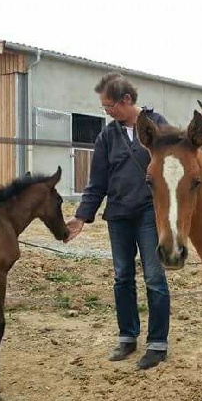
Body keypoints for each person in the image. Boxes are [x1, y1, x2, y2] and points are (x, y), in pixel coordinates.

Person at [65, 72, 171, 369]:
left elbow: (173, 165)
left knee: (154, 276)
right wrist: (81, 216)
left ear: (126, 100)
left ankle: (158, 343)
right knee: (122, 276)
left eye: (109, 105)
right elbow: (97, 181)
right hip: (119, 214)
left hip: (149, 212)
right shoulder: (107, 136)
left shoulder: (156, 123)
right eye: (105, 107)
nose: (107, 111)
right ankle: (127, 337)